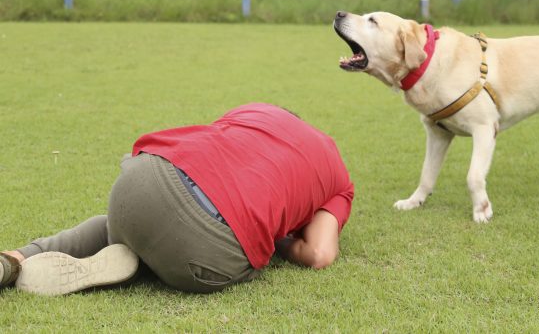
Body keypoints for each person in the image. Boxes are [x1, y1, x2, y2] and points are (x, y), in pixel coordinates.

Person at [0, 103, 354, 295]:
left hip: (141, 184)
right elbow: (319, 254)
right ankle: (143, 265)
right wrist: (280, 238)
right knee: (243, 259)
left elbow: (207, 152)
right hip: (201, 253)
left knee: (116, 225)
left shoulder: (258, 110)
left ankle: (15, 257)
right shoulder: (338, 178)